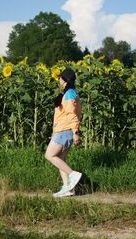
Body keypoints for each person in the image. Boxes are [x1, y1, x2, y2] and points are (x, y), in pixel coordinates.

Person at [45, 68, 82, 197]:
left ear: (65, 80)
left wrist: (75, 132)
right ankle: (68, 189)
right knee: (61, 159)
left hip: (65, 130)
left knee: (49, 155)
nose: (59, 80)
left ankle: (73, 175)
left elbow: (72, 115)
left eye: (60, 78)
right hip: (62, 130)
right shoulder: (68, 93)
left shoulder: (70, 94)